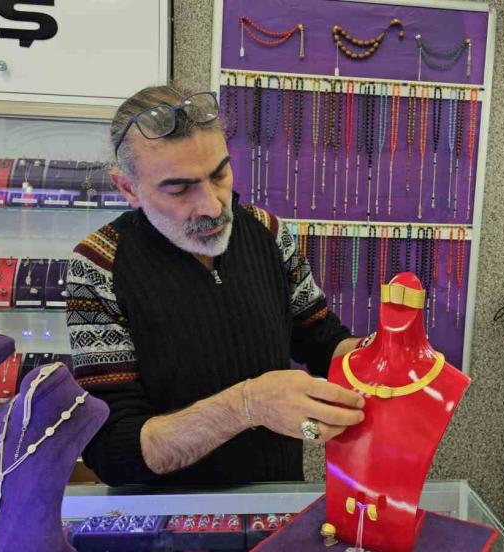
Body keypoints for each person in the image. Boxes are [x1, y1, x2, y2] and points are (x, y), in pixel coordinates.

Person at [65, 84, 366, 486]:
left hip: (273, 501)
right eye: (179, 188)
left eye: (219, 174)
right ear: (129, 189)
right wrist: (246, 405)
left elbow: (323, 341)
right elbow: (114, 452)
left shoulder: (268, 232)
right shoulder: (98, 265)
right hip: (164, 516)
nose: (212, 205)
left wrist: (386, 354)